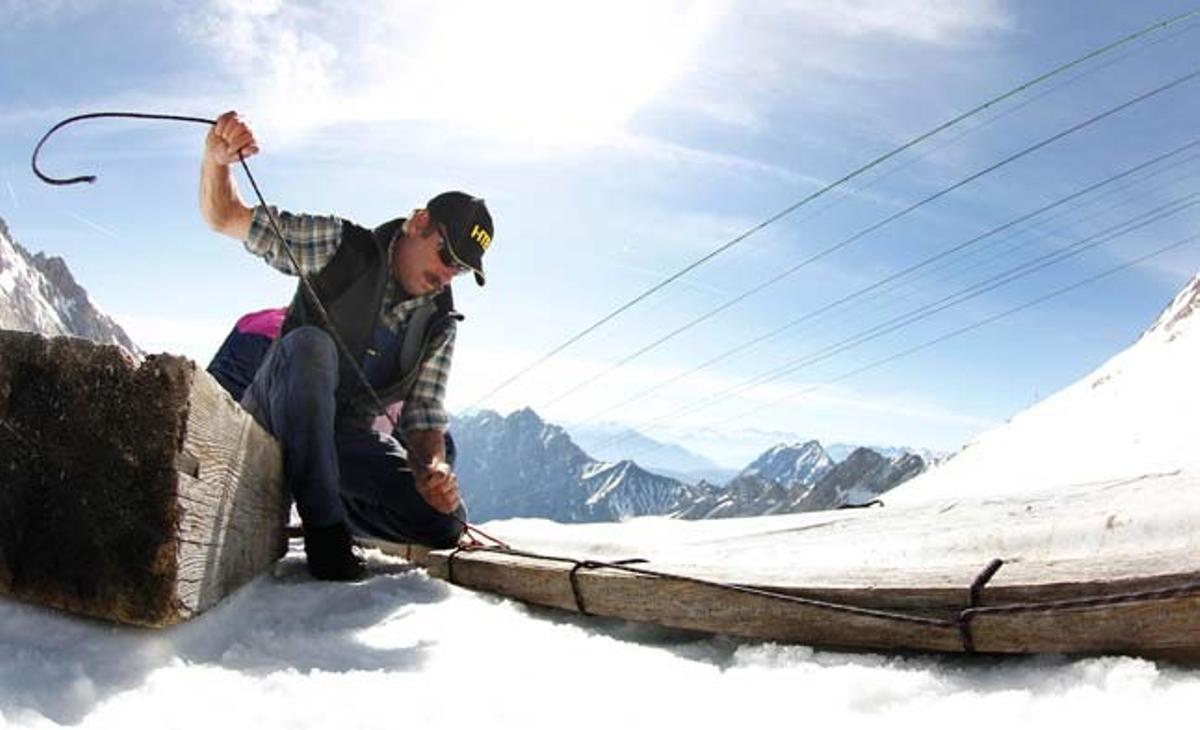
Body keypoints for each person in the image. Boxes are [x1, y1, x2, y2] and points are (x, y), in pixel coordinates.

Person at [200, 111, 494, 581]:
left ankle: (341, 512)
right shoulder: (341, 245)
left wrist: (432, 469)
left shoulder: (440, 323)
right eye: (446, 255)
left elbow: (423, 418)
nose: (446, 276)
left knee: (443, 523)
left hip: (343, 440)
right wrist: (217, 161)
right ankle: (325, 532)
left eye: (459, 270)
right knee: (313, 346)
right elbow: (225, 217)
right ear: (419, 223)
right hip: (275, 413)